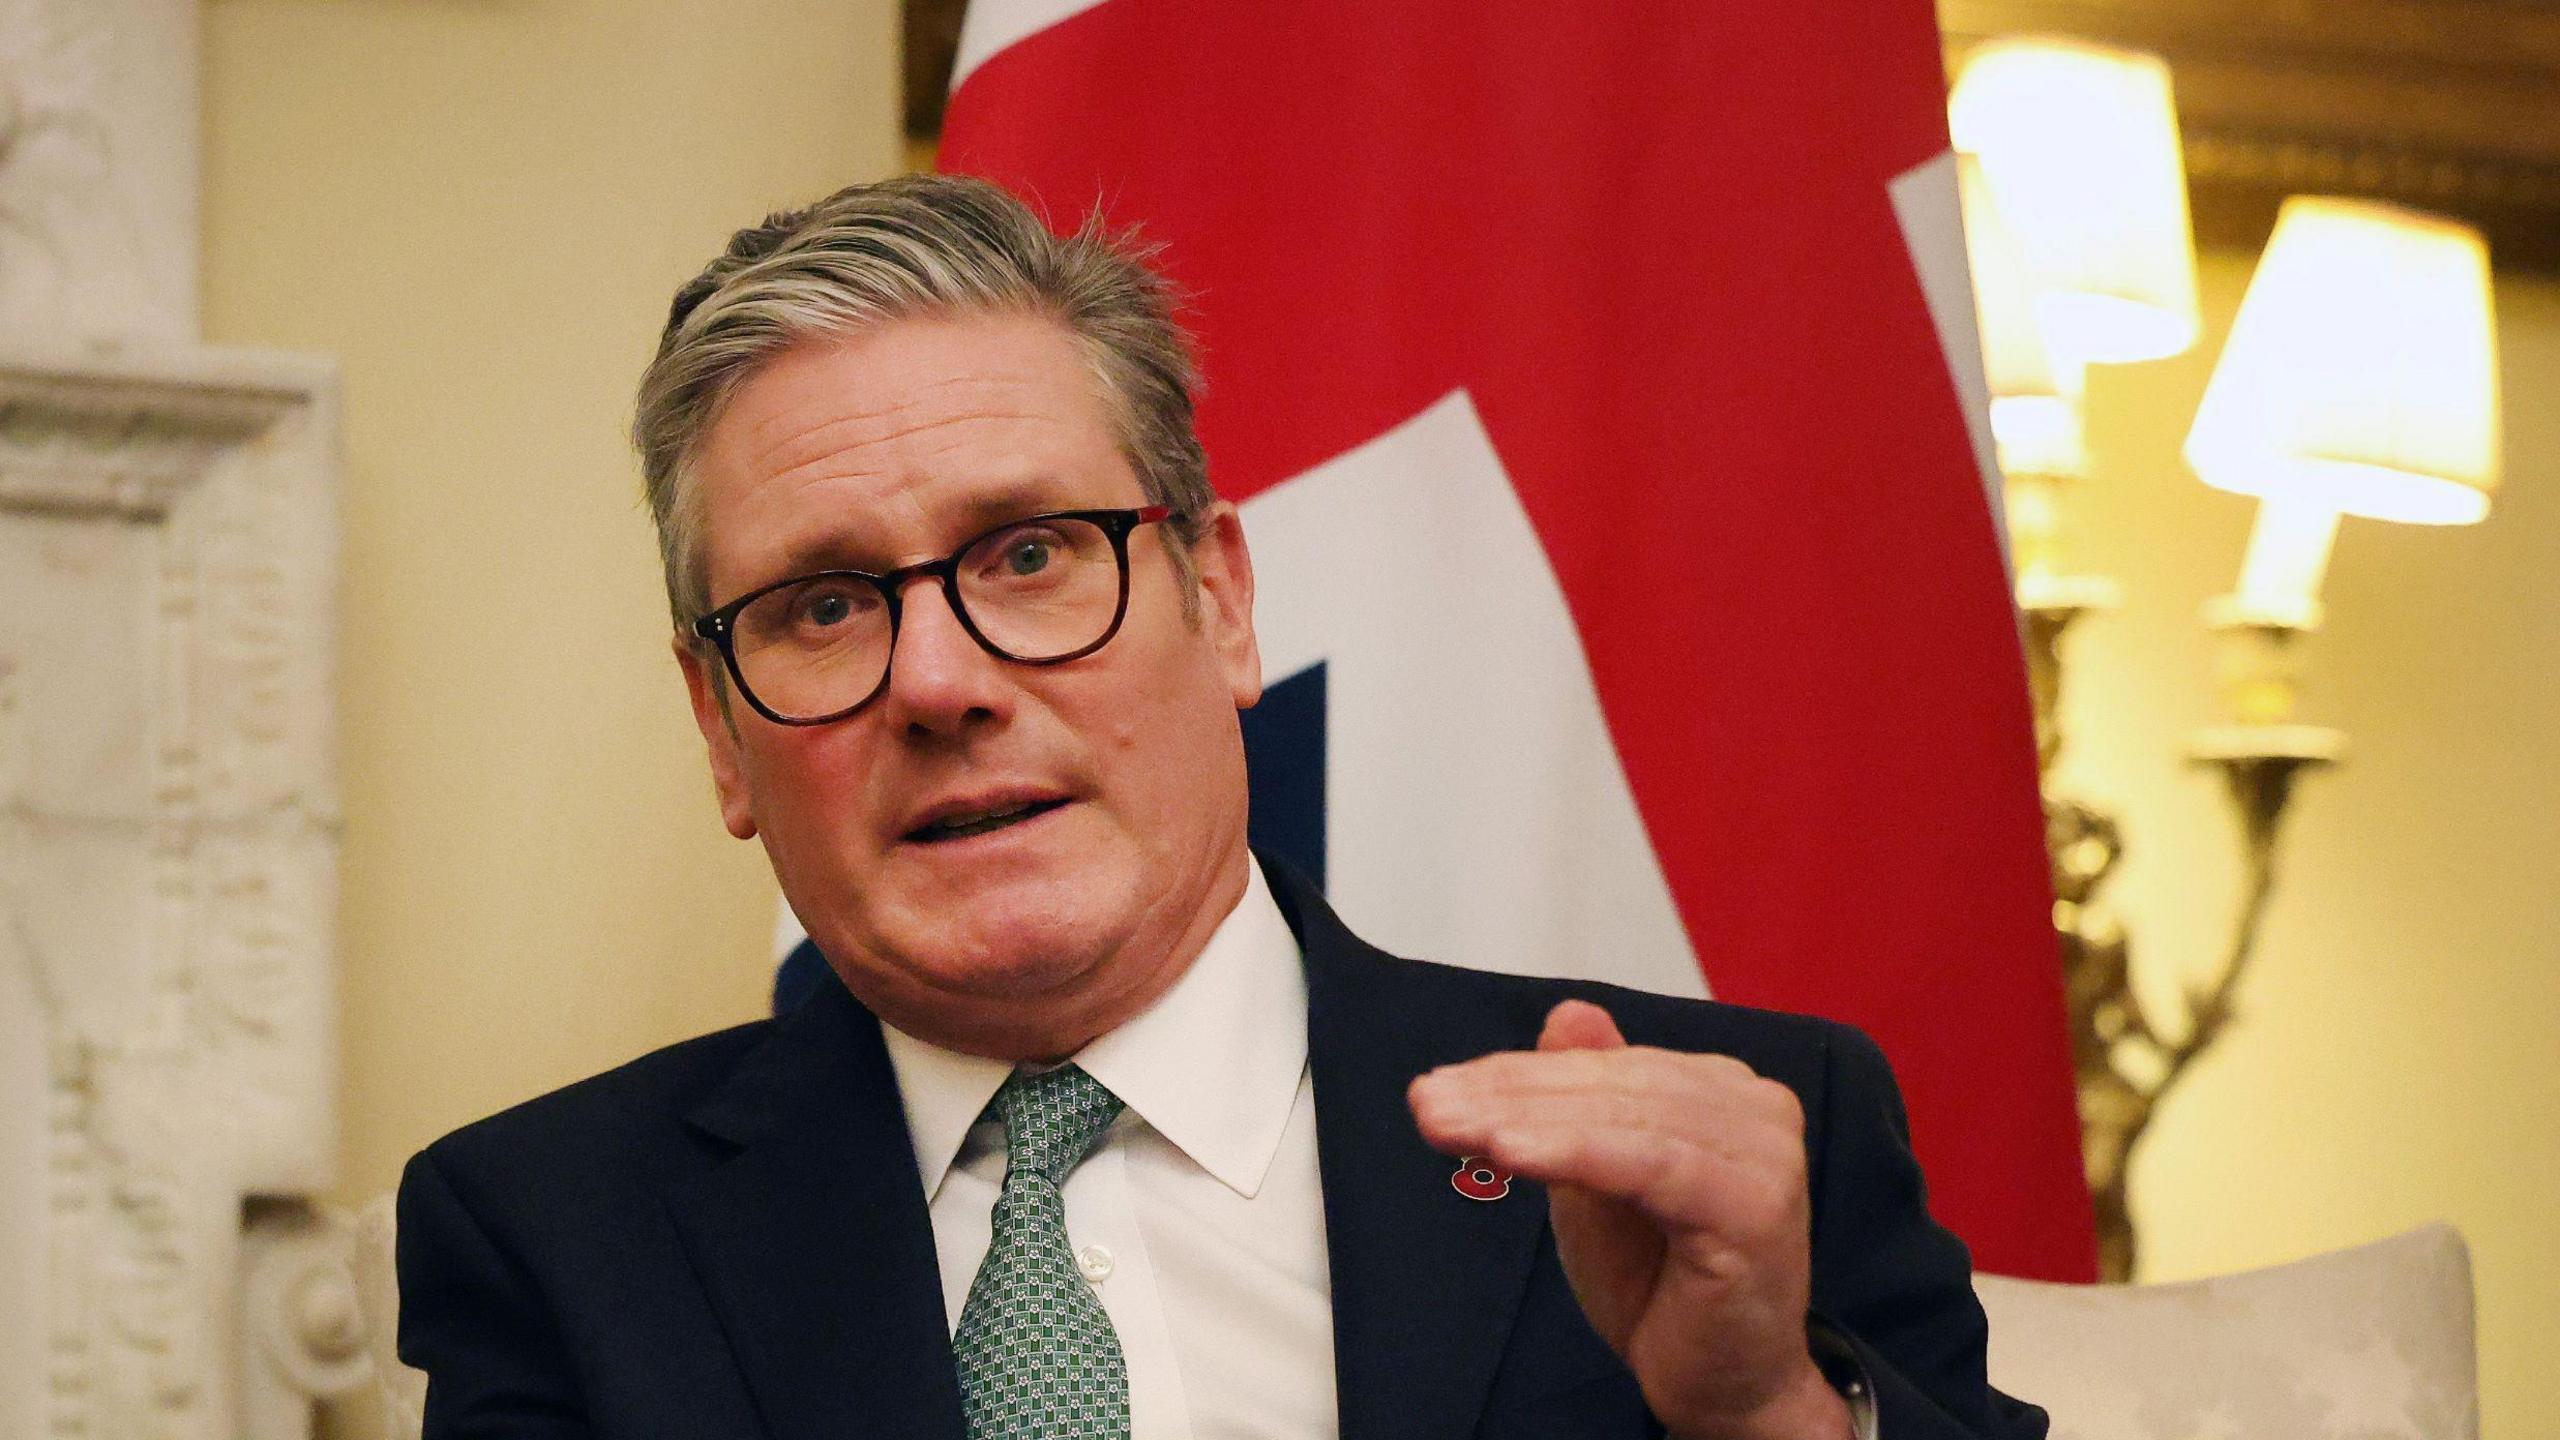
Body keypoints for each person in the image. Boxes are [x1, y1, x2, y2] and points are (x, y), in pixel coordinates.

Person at [395, 174, 2047, 1440]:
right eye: (821, 605)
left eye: (1029, 555)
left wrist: (1765, 1420)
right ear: (718, 731)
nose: (937, 681)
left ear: (1226, 601)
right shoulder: (555, 1234)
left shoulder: (1739, 1144)